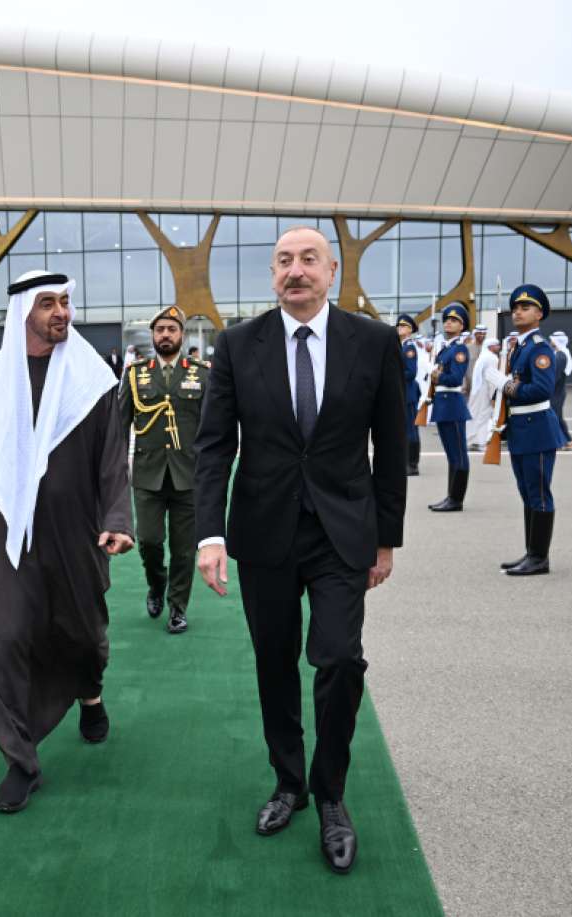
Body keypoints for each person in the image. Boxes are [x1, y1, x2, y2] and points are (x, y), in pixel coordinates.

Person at [194, 226, 406, 875]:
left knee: (339, 657)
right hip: (265, 531)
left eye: (308, 259)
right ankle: (289, 782)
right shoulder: (239, 345)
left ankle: (330, 792)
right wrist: (209, 534)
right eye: (284, 261)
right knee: (275, 662)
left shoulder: (373, 342)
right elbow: (214, 445)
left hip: (343, 530)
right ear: (272, 274)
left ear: (332, 270)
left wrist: (386, 537)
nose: (296, 271)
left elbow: (391, 443)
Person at [0, 270, 133, 813]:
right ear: (23, 311)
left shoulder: (91, 377)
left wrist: (118, 518)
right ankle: (20, 761)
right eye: (48, 303)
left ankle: (90, 694)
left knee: (84, 633)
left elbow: (112, 457)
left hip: (77, 528)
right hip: (7, 530)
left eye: (65, 302)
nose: (61, 312)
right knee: (9, 637)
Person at [120, 304, 209, 634]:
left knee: (184, 550)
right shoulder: (135, 374)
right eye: (160, 330)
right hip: (148, 474)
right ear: (153, 336)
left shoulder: (201, 374)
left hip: (189, 475)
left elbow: (212, 428)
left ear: (182, 335)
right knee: (149, 541)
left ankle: (177, 607)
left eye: (172, 329)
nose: (166, 335)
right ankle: (156, 585)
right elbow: (120, 425)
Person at [483, 285, 565, 576]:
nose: (518, 312)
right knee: (528, 492)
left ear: (539, 314)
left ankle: (540, 558)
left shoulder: (539, 348)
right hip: (521, 429)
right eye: (515, 308)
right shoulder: (520, 346)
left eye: (525, 308)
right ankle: (532, 552)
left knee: (539, 493)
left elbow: (542, 389)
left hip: (537, 429)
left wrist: (505, 384)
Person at [427, 304, 473, 512]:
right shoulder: (446, 349)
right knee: (451, 455)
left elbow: (455, 378)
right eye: (446, 319)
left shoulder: (459, 349)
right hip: (443, 404)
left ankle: (456, 499)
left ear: (462, 326)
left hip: (453, 404)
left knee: (458, 454)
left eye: (454, 320)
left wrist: (437, 375)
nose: (448, 323)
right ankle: (451, 496)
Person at [396, 313, 421, 475]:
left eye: (404, 326)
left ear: (410, 330)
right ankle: (406, 461)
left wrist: (393, 374)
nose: (400, 328)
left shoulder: (409, 348)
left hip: (409, 393)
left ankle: (412, 464)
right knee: (404, 429)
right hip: (403, 392)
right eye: (399, 325)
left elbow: (411, 373)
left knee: (411, 430)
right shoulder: (401, 346)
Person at [467, 337, 502, 450]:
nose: (499, 347)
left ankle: (472, 440)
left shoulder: (483, 356)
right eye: (497, 345)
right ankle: (480, 442)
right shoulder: (492, 358)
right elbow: (492, 378)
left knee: (474, 414)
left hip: (477, 391)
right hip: (485, 391)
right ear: (491, 347)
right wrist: (493, 396)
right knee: (484, 416)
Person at [549, 331, 572, 449]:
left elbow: (555, 376)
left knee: (555, 417)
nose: (550, 342)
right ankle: (566, 441)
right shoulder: (561, 353)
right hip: (558, 391)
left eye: (552, 340)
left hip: (556, 392)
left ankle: (565, 441)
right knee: (556, 417)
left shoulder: (560, 355)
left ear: (556, 342)